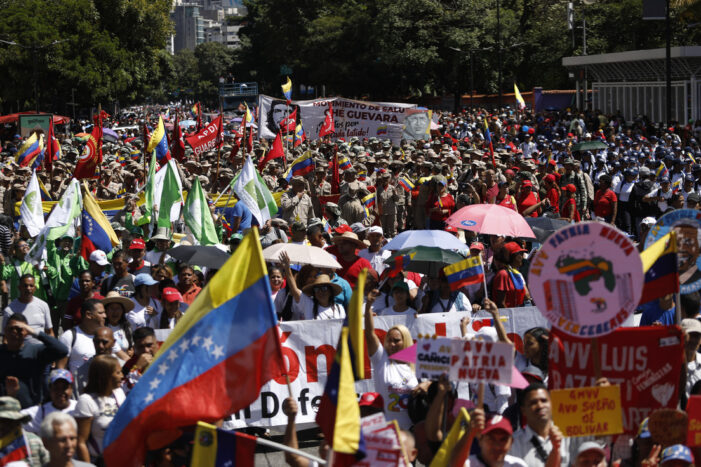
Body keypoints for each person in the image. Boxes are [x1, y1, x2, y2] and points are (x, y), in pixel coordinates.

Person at [365, 290, 418, 429]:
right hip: (388, 430)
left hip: (411, 431)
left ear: (405, 341)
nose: (392, 344)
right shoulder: (381, 359)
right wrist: (368, 306)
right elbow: (370, 334)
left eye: (396, 340)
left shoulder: (414, 364)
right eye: (389, 340)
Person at [0, 315, 68, 409]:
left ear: (26, 332)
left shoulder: (36, 351)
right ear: (5, 331)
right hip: (3, 410)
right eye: (11, 329)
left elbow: (62, 350)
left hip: (31, 410)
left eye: (19, 329)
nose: (14, 332)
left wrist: (34, 332)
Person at [74, 355, 126, 464]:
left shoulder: (120, 393)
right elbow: (81, 442)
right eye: (118, 373)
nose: (122, 376)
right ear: (105, 376)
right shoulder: (86, 401)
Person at [508, 383, 574, 466]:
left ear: (552, 404)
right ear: (523, 410)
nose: (540, 405)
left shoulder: (568, 437)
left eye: (544, 400)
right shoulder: (512, 444)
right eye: (533, 403)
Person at [450, 409, 527, 467]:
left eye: (503, 440)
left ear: (511, 442)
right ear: (480, 440)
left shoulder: (518, 465)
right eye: (491, 439)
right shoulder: (469, 464)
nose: (497, 446)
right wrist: (470, 431)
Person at [280, 252, 346, 320]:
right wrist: (287, 268)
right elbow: (294, 289)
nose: (320, 292)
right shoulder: (309, 304)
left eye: (324, 288)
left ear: (330, 291)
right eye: (317, 289)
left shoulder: (339, 309)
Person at [57, 299, 107, 376]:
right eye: (101, 313)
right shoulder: (69, 336)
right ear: (88, 315)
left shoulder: (106, 336)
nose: (105, 316)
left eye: (104, 312)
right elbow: (60, 368)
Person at [21, 369, 77, 435]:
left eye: (64, 388)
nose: (60, 392)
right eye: (56, 388)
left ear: (71, 389)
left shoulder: (79, 407)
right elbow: (14, 421)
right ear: (50, 389)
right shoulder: (40, 412)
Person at [0, 396, 49, 466]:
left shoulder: (33, 441)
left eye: (8, 421)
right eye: (1, 421)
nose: (2, 425)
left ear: (18, 421)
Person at [3, 273, 54, 338]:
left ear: (35, 288)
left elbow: (49, 332)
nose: (28, 288)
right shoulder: (9, 310)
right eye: (25, 286)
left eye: (31, 286)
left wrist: (53, 347)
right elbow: (5, 338)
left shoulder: (43, 305)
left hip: (41, 347)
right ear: (19, 288)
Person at [492, 242, 531, 308]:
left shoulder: (516, 274)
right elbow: (501, 303)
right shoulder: (503, 274)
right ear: (513, 256)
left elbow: (526, 296)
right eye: (520, 254)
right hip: (507, 316)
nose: (522, 257)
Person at [101, 292, 133, 357]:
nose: (115, 311)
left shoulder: (126, 328)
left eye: (118, 308)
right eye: (112, 308)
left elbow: (131, 346)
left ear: (122, 311)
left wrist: (132, 352)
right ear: (106, 310)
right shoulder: (102, 329)